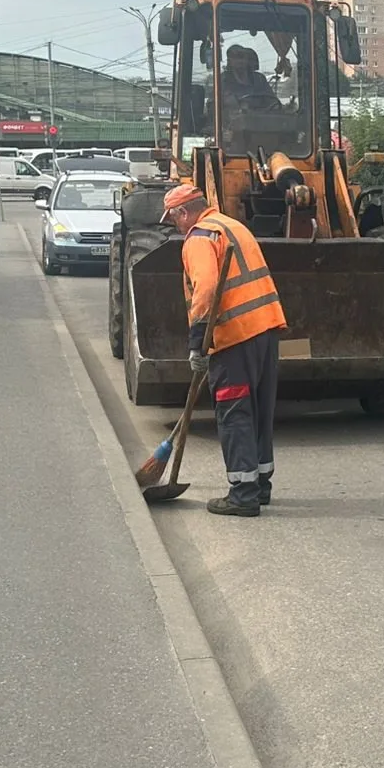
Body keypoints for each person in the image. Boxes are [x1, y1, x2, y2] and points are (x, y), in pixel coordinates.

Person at [161, 184, 288, 518]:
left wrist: (197, 340)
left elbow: (205, 288)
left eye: (173, 219)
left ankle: (243, 494)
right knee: (259, 410)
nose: (175, 226)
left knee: (234, 413)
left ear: (183, 212)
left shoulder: (200, 238)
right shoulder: (231, 226)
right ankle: (260, 485)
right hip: (264, 330)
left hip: (234, 338)